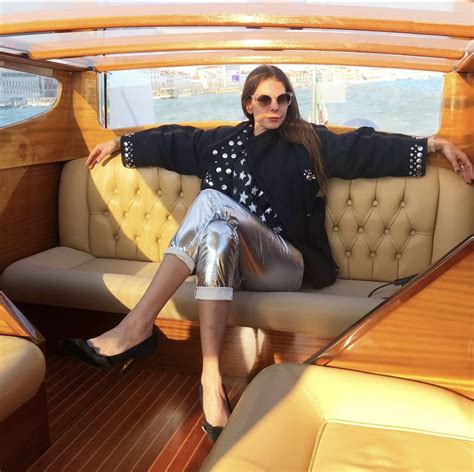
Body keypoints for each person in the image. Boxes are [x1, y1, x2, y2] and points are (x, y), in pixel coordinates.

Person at [61, 65, 472, 442]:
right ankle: (211, 381)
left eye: (282, 99)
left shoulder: (307, 142)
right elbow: (173, 140)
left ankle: (136, 327)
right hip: (231, 268)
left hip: (286, 264)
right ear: (248, 105)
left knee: (211, 201)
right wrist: (119, 142)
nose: (275, 107)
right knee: (217, 234)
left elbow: (365, 148)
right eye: (265, 100)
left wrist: (434, 144)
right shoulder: (218, 143)